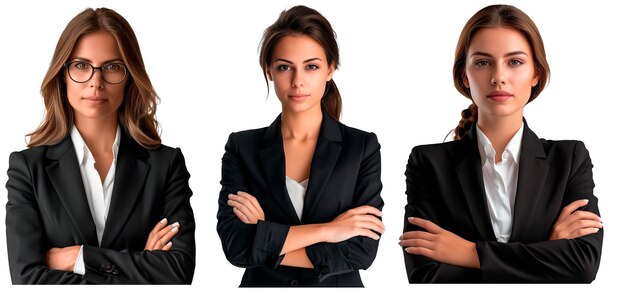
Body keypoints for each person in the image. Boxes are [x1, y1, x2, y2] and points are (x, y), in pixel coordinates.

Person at [400, 4, 602, 283]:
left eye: (515, 62)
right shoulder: (429, 163)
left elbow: (583, 266)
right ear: (464, 75)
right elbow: (427, 275)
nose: (499, 77)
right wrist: (547, 247)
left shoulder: (569, 159)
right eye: (483, 62)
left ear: (536, 74)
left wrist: (469, 253)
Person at [5, 8, 195, 284]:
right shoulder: (28, 169)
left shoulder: (165, 165)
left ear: (129, 76)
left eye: (112, 67)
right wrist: (141, 263)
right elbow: (27, 279)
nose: (96, 82)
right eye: (81, 65)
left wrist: (78, 258)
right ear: (62, 74)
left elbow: (178, 270)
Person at [217, 5, 384, 287]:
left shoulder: (361, 147)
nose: (297, 81)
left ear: (330, 69)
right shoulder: (242, 147)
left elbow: (361, 252)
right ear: (269, 70)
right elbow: (236, 247)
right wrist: (330, 230)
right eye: (284, 67)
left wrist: (267, 236)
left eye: (311, 66)